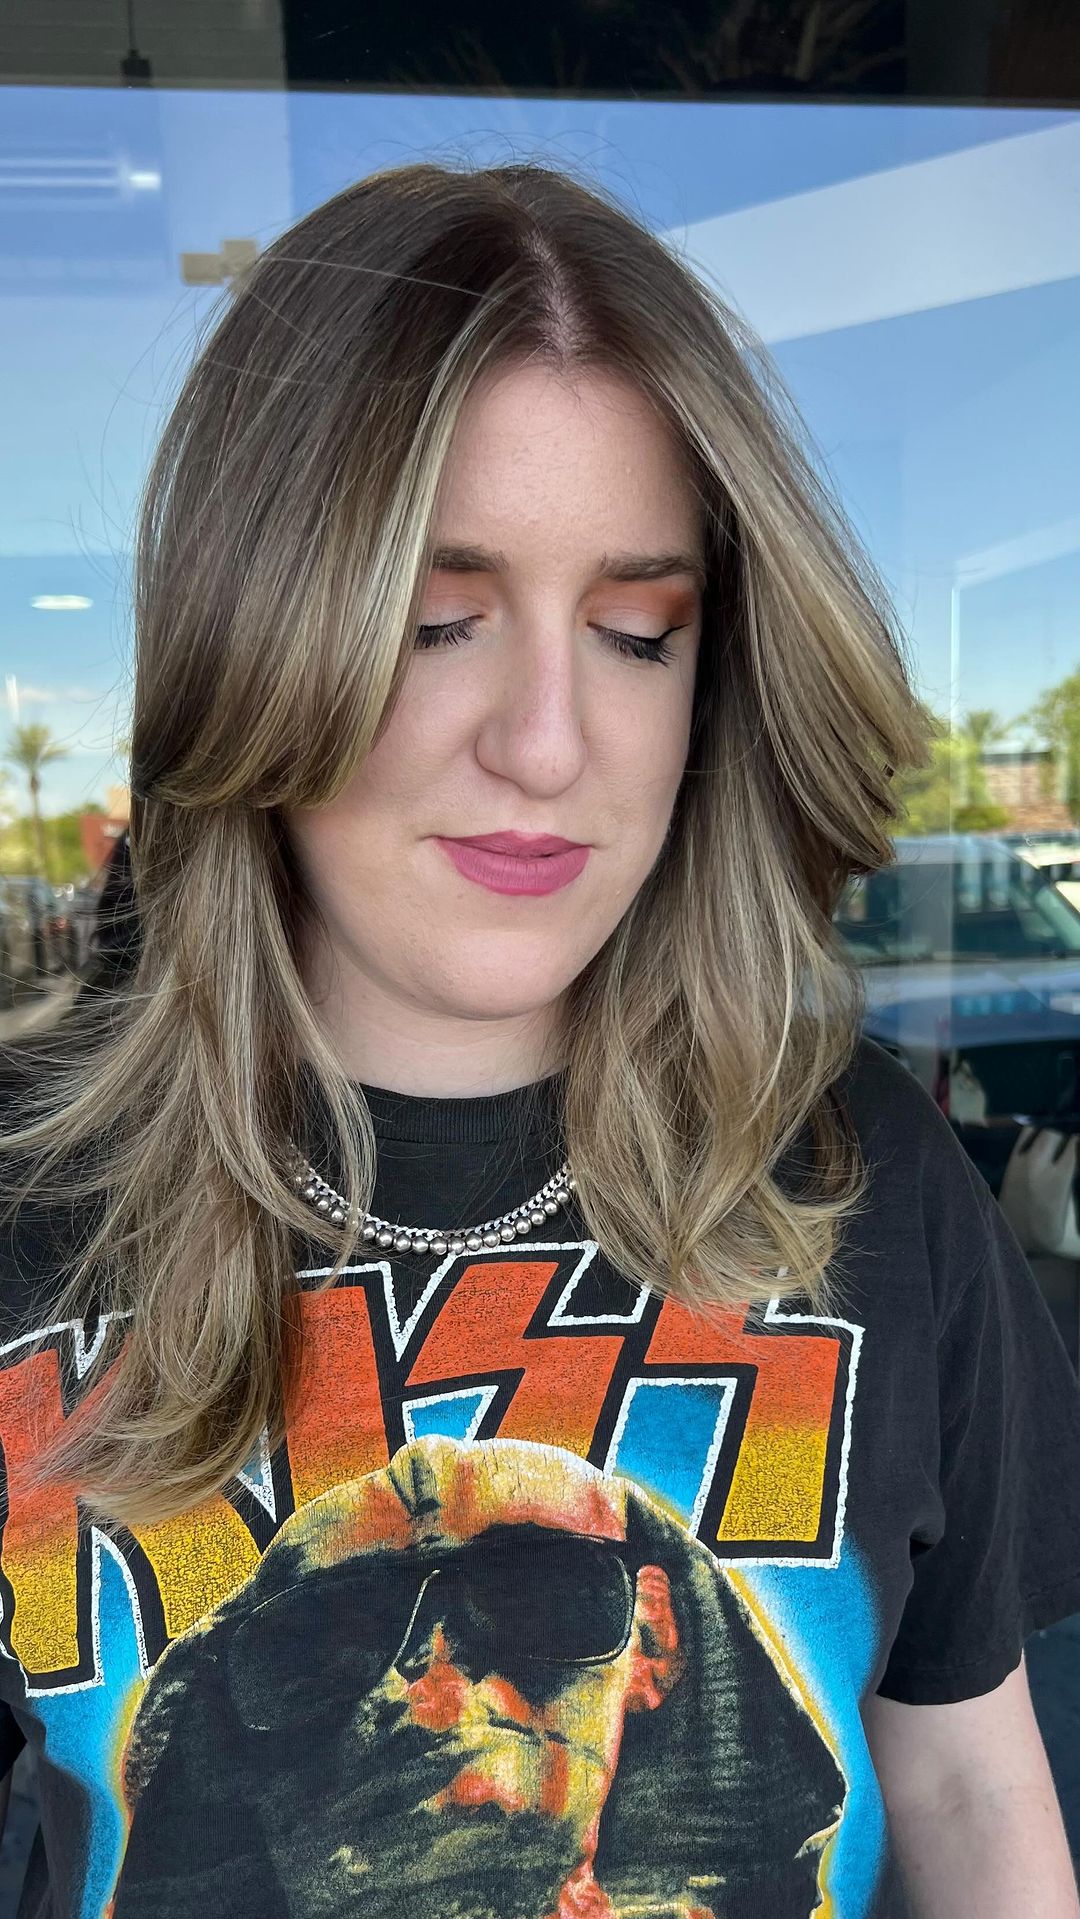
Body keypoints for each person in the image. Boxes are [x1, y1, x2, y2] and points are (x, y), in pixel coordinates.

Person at [0, 159, 1077, 1919]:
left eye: (638, 634)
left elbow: (966, 1781)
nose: (550, 741)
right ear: (257, 642)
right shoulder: (29, 1200)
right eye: (440, 622)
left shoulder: (861, 1175)